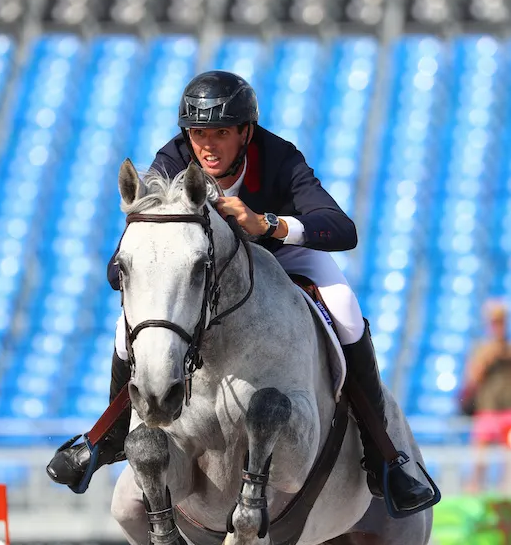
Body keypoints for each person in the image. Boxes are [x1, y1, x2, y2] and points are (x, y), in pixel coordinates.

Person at [47, 70, 433, 512]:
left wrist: (268, 224)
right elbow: (127, 254)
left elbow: (342, 229)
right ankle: (109, 438)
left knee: (344, 309)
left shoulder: (279, 156)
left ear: (245, 132)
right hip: (208, 272)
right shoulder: (171, 160)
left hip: (280, 255)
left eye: (221, 133)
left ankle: (382, 455)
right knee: (124, 328)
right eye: (197, 134)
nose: (207, 146)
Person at [461, 300, 511, 490]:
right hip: (488, 410)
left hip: (508, 410)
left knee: (507, 460)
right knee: (480, 459)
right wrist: (489, 356)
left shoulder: (508, 348)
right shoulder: (482, 349)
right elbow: (472, 378)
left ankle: (505, 492)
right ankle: (474, 490)